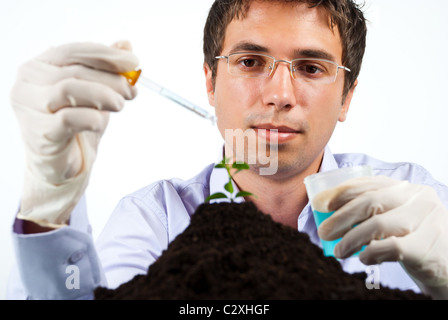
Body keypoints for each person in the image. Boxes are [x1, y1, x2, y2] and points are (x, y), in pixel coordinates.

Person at [7, 0, 448, 300]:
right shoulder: (155, 220)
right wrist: (49, 208)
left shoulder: (414, 204)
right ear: (210, 83)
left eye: (311, 67)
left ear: (347, 97)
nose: (278, 94)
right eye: (250, 62)